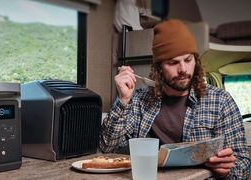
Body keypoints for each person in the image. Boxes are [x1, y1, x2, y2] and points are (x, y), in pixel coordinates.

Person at [100, 19, 251, 179]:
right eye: (173, 63)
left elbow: (244, 164)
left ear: (196, 61)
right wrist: (123, 100)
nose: (183, 70)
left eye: (188, 60)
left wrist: (228, 170)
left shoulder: (221, 101)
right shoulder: (139, 100)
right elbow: (107, 149)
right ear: (158, 68)